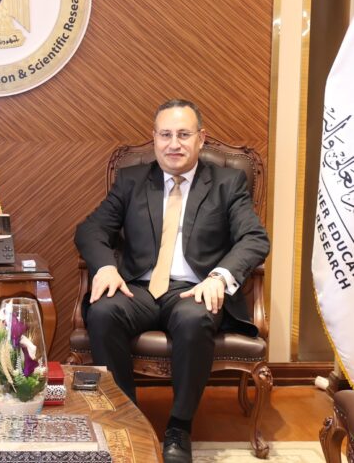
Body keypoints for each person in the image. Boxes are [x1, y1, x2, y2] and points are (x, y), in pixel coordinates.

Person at [74, 99, 269, 463]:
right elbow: (91, 230)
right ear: (154, 138)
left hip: (194, 289)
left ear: (201, 138)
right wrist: (105, 267)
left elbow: (254, 238)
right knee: (102, 312)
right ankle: (127, 420)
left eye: (183, 134)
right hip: (139, 288)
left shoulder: (227, 183)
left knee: (195, 318)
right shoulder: (132, 180)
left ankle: (179, 429)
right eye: (165, 135)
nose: (173, 144)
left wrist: (219, 277)